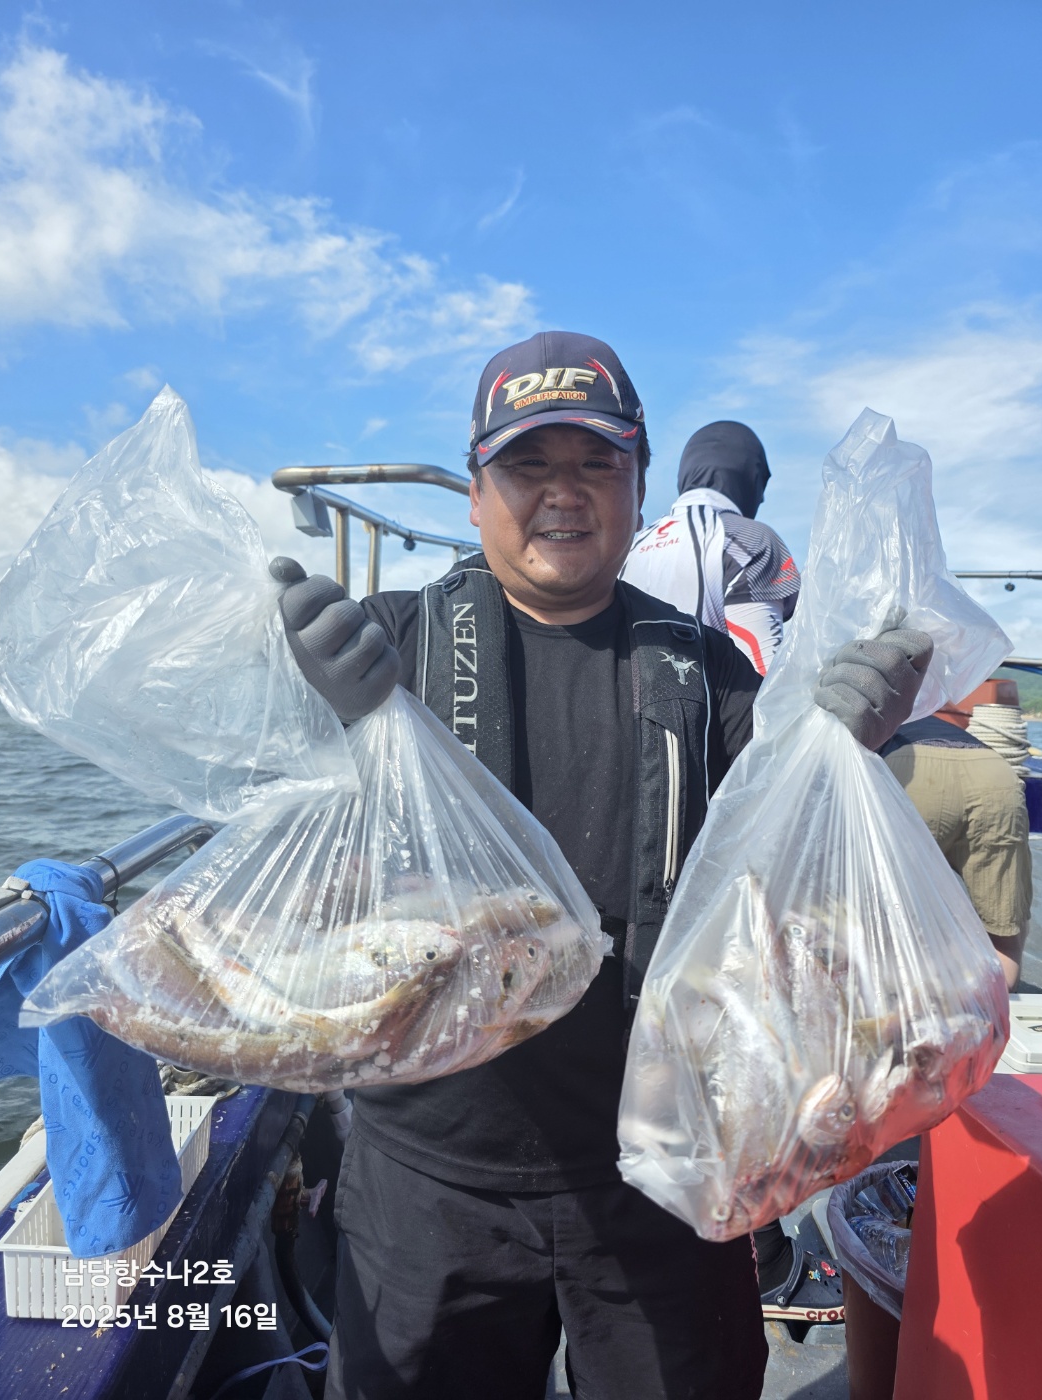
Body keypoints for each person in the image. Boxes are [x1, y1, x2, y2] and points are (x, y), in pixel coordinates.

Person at [270, 330, 932, 1400]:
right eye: (528, 465)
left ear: (638, 485)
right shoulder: (383, 647)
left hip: (666, 1173)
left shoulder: (712, 675)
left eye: (596, 463)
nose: (563, 493)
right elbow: (271, 840)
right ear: (476, 491)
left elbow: (799, 853)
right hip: (427, 1181)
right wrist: (307, 704)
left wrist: (843, 739)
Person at [621, 421, 799, 676]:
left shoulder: (631, 545)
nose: (762, 498)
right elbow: (764, 674)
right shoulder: (750, 539)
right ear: (750, 477)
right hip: (710, 700)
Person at [881, 714, 1032, 989]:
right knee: (1003, 937)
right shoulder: (934, 719)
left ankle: (909, 1004)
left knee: (890, 915)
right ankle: (988, 1004)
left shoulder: (868, 720)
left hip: (911, 768)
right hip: (993, 772)